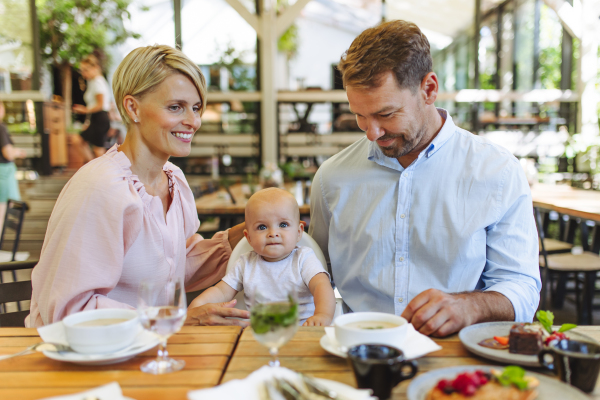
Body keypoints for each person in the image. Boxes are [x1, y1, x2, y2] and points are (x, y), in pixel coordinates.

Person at [308, 20, 541, 337]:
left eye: (386, 114)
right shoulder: (331, 178)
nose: (372, 132)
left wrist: (469, 306)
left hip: (459, 357)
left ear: (429, 89)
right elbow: (311, 272)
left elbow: (521, 286)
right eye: (360, 116)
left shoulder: (497, 172)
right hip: (357, 353)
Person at [27, 45, 249, 327]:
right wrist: (175, 320)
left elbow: (174, 265)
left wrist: (247, 231)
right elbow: (68, 310)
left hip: (153, 353)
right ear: (133, 108)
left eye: (196, 108)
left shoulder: (174, 179)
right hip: (86, 362)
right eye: (175, 107)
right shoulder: (100, 188)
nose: (193, 121)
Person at [190, 188, 335, 326]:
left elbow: (321, 286)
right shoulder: (245, 263)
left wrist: (322, 315)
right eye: (262, 227)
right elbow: (221, 291)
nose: (273, 233)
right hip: (260, 334)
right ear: (249, 238)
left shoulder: (303, 258)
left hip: (302, 330)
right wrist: (196, 306)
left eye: (283, 224)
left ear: (299, 232)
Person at [72, 52, 111, 161]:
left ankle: (101, 173)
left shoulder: (98, 82)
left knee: (98, 150)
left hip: (100, 118)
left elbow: (100, 105)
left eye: (86, 70)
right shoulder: (93, 82)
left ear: (95, 67)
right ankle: (93, 169)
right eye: (82, 70)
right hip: (96, 118)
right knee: (80, 142)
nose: (84, 73)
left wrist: (84, 110)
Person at [0, 101, 26, 230]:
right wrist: (19, 152)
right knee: (2, 211)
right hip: (2, 176)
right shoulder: (1, 127)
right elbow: (8, 153)